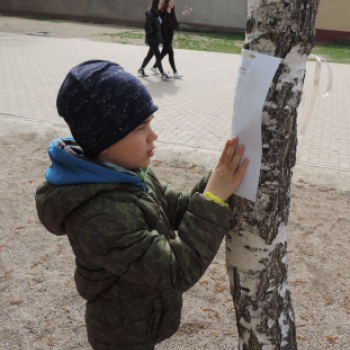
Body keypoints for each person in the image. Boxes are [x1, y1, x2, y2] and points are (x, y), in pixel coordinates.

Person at [35, 60, 249, 350]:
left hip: (144, 323)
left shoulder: (130, 175)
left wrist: (217, 181)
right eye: (140, 127)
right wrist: (212, 199)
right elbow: (173, 271)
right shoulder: (99, 214)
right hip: (121, 336)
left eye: (150, 123)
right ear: (104, 141)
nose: (153, 135)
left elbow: (178, 208)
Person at [138, 0, 172, 80]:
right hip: (152, 39)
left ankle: (141, 69)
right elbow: (147, 26)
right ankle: (163, 74)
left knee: (150, 55)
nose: (161, 5)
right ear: (156, 4)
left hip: (156, 39)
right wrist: (152, 34)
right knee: (158, 55)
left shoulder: (157, 14)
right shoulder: (150, 15)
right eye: (160, 3)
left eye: (161, 3)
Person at [152, 0, 182, 78]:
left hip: (169, 37)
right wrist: (174, 24)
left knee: (164, 52)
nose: (172, 3)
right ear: (167, 3)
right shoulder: (164, 13)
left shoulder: (172, 12)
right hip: (165, 37)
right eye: (170, 2)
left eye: (173, 2)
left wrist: (175, 24)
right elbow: (167, 25)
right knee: (171, 53)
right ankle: (175, 72)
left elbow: (174, 25)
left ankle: (154, 67)